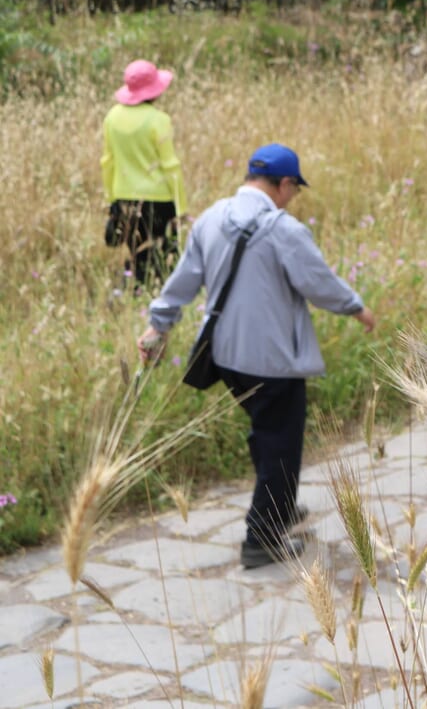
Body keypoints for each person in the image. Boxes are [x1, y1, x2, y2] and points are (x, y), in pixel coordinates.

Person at [138, 143, 376, 568]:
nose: (292, 198)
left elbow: (183, 280)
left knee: (265, 432)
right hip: (273, 360)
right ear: (284, 184)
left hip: (226, 356)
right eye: (294, 190)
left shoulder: (210, 219)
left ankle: (279, 508)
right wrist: (355, 306)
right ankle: (262, 539)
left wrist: (159, 324)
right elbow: (318, 282)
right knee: (282, 443)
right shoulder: (283, 230)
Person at [101, 59, 189, 290]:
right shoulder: (159, 120)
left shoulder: (112, 117)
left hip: (124, 198)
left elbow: (107, 162)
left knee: (139, 253)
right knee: (166, 257)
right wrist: (181, 207)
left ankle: (133, 294)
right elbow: (171, 166)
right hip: (159, 200)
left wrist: (112, 199)